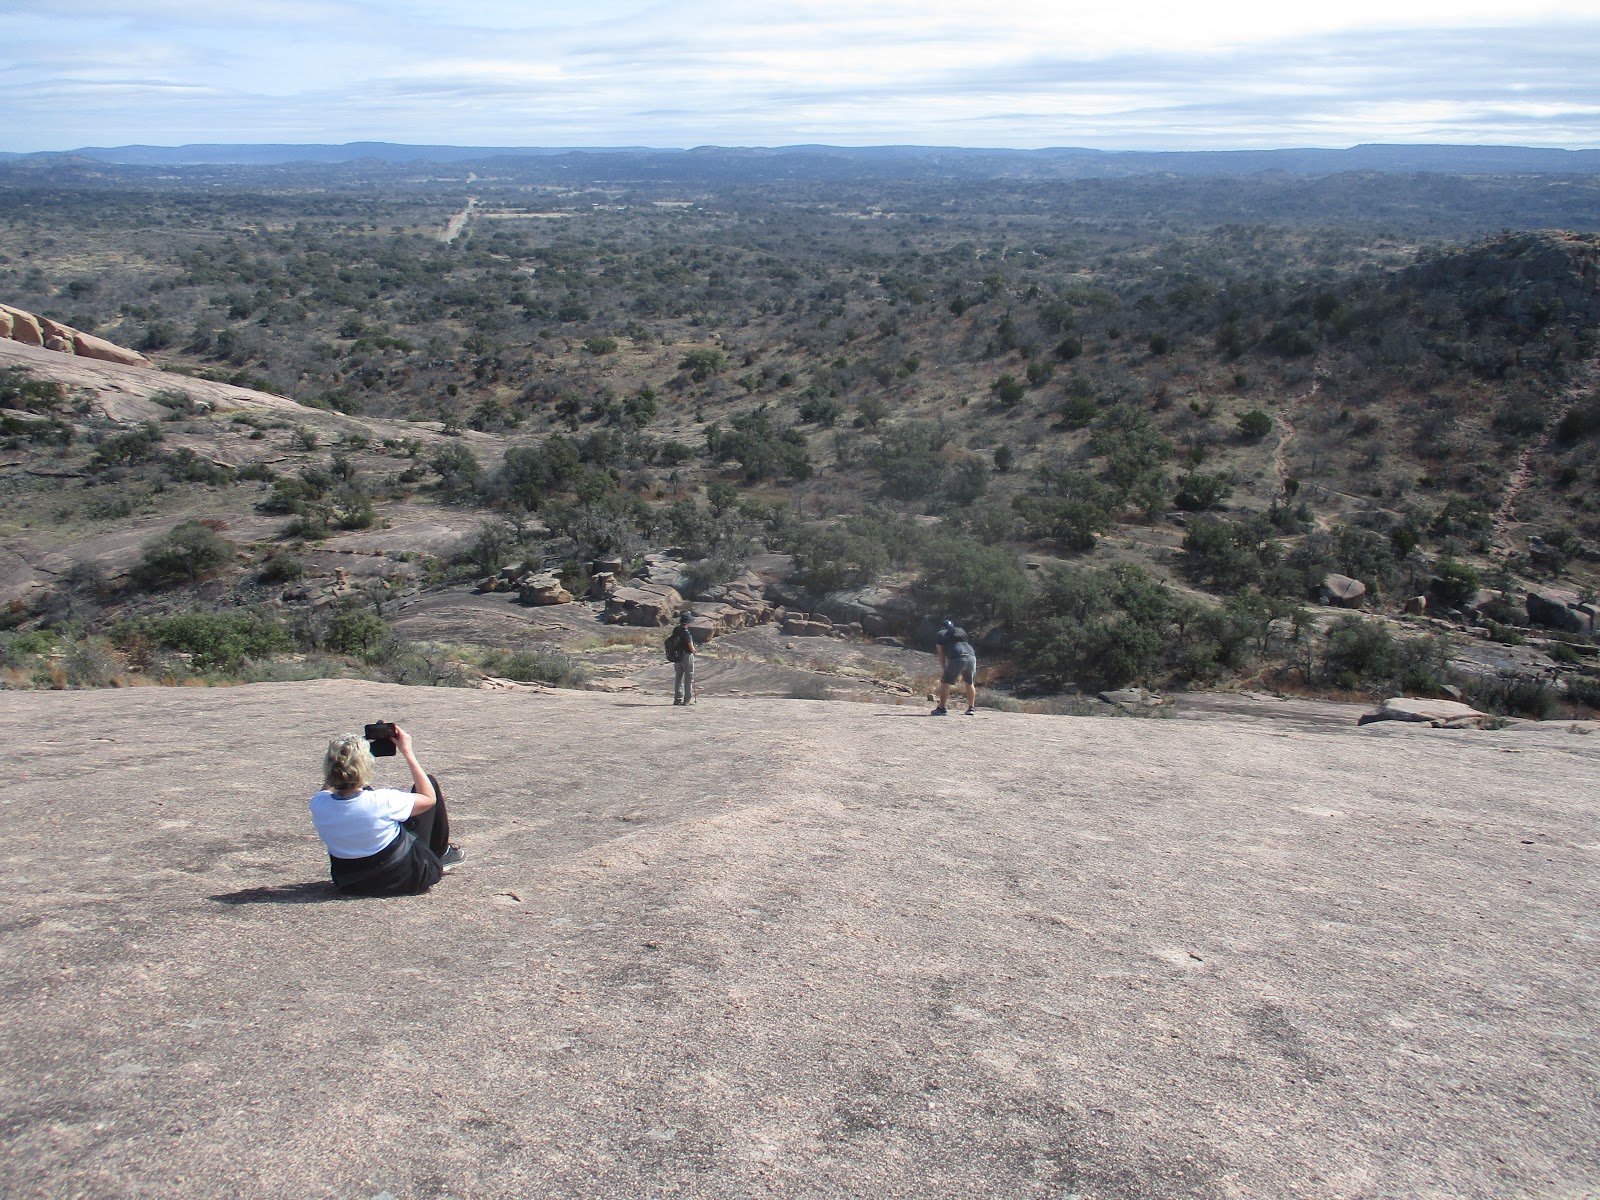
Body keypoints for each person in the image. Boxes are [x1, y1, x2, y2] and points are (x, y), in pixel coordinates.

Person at [309, 724, 465, 896]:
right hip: (405, 878)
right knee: (429, 783)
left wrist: (347, 758)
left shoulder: (319, 804)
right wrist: (408, 752)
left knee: (365, 793)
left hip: (351, 883)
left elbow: (332, 786)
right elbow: (429, 798)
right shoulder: (383, 801)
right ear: (364, 766)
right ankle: (442, 854)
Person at [933, 618, 977, 716]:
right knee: (969, 682)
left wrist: (944, 669)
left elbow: (941, 654)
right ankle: (971, 708)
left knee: (945, 682)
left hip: (958, 656)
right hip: (971, 655)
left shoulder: (940, 634)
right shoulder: (960, 632)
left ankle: (941, 708)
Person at [669, 610, 698, 705]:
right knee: (688, 678)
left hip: (677, 656)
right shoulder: (687, 633)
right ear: (688, 622)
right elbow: (691, 647)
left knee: (678, 677)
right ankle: (687, 700)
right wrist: (695, 651)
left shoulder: (676, 630)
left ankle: (677, 699)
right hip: (686, 656)